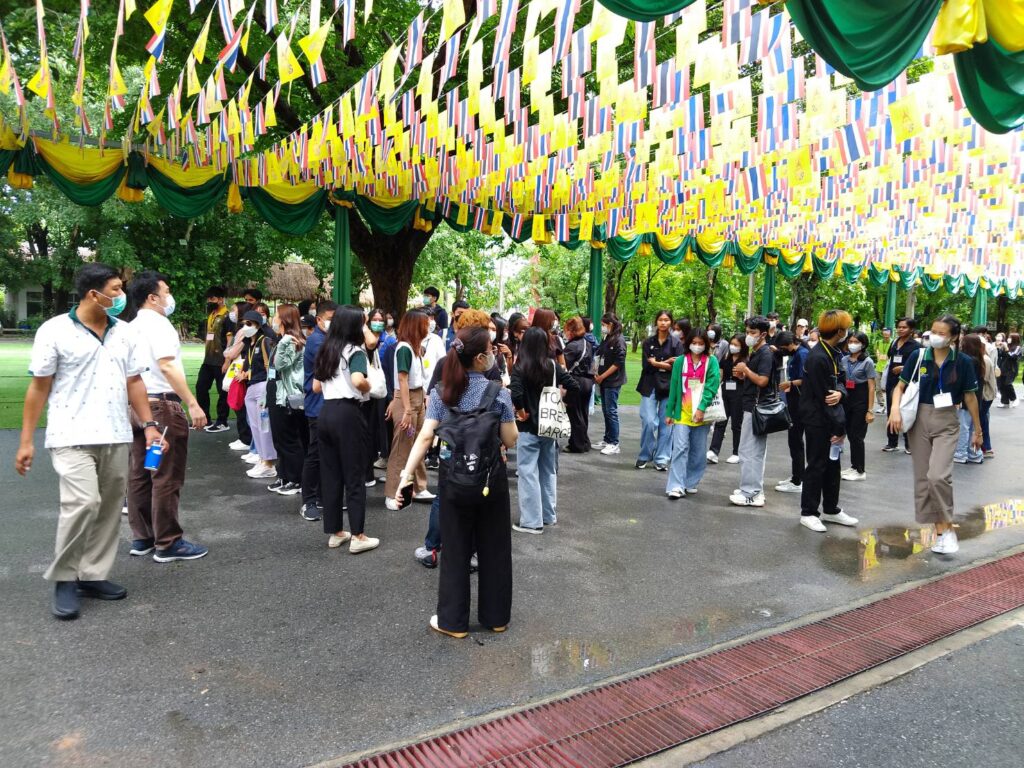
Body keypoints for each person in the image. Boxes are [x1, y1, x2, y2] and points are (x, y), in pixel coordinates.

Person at [16, 263, 165, 619]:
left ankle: (92, 574)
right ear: (92, 294)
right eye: (114, 289)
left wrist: (149, 425)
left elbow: (135, 383)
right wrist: (26, 441)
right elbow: (39, 387)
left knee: (110, 507)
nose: (120, 296)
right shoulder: (54, 331)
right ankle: (65, 577)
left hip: (114, 433)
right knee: (82, 502)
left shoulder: (125, 333)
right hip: (71, 434)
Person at [396, 327, 518, 637]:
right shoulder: (499, 393)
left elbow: (425, 437)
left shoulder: (441, 392)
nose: (494, 354)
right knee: (495, 548)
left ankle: (453, 622)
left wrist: (405, 476)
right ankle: (496, 619)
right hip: (492, 480)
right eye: (490, 350)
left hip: (454, 480)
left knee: (455, 550)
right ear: (480, 358)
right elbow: (511, 439)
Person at [126, 271, 210, 562]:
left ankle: (143, 537)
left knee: (140, 472)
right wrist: (192, 402)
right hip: (161, 405)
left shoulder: (129, 327)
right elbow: (167, 366)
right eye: (167, 290)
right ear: (152, 297)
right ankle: (168, 541)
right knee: (165, 474)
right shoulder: (159, 325)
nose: (169, 296)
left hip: (136, 406)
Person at [888, 315, 982, 555]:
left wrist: (978, 430)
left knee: (938, 477)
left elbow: (971, 398)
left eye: (941, 333)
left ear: (953, 337)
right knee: (923, 480)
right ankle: (940, 533)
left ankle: (948, 529)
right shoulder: (918, 356)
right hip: (919, 419)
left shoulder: (962, 362)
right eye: (932, 331)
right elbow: (900, 387)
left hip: (947, 421)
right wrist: (894, 409)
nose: (935, 336)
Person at [313, 306, 379, 554]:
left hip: (326, 412)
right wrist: (368, 386)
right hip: (348, 414)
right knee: (354, 475)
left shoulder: (326, 350)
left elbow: (316, 387)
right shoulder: (355, 351)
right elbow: (357, 380)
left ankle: (336, 532)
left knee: (331, 475)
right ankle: (358, 535)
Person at [510, 327, 579, 533]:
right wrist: (563, 402)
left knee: (527, 472)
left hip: (529, 428)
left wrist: (521, 412)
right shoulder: (552, 365)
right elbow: (574, 386)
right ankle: (549, 515)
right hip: (550, 427)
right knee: (548, 471)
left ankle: (532, 521)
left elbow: (516, 393)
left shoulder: (521, 366)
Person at [798, 310, 860, 532]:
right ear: (840, 331)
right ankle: (808, 512)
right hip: (817, 420)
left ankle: (831, 509)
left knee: (833, 465)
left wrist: (841, 393)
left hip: (831, 418)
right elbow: (824, 396)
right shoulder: (818, 357)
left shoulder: (834, 353)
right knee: (816, 465)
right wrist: (839, 427)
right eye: (846, 329)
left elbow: (842, 384)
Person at [384, 309, 435, 508]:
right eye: (424, 323)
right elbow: (402, 380)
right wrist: (406, 410)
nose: (428, 326)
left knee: (419, 442)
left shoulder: (415, 348)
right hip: (408, 401)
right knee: (402, 447)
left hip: (417, 399)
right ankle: (391, 493)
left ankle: (419, 487)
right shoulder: (404, 348)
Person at [664, 328, 721, 498]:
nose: (697, 346)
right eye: (694, 343)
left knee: (698, 451)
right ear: (688, 343)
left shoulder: (711, 362)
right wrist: (669, 411)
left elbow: (712, 385)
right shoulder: (680, 361)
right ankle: (676, 485)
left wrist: (702, 408)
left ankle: (691, 481)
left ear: (706, 344)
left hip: (701, 413)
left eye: (700, 344)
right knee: (680, 448)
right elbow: (674, 386)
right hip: (682, 412)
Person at [729, 316, 775, 508]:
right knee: (749, 450)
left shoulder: (765, 353)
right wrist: (744, 374)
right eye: (747, 332)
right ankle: (752, 489)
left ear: (763, 334)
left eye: (752, 333)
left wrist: (745, 371)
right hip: (750, 405)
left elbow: (763, 381)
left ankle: (752, 493)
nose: (748, 336)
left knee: (751, 451)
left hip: (756, 407)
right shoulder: (757, 352)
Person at [299, 301, 337, 521]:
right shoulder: (316, 341)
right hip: (317, 406)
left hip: (327, 405)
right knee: (315, 455)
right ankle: (309, 501)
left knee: (328, 454)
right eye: (331, 318)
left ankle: (323, 497)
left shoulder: (326, 339)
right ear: (320, 319)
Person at [267, 304, 308, 496]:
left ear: (284, 319)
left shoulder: (292, 341)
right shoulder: (283, 340)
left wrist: (283, 343)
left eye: (276, 316)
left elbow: (281, 364)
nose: (274, 320)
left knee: (289, 438)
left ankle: (296, 478)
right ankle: (283, 474)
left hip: (287, 396)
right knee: (279, 438)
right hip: (276, 391)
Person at [636, 310, 683, 471]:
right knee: (649, 421)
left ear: (671, 322)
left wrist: (657, 363)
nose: (663, 323)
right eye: (660, 320)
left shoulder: (677, 344)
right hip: (650, 384)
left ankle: (662, 458)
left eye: (666, 320)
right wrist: (665, 363)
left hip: (670, 386)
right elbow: (646, 365)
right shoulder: (648, 342)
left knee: (667, 423)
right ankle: (644, 455)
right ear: (656, 322)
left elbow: (678, 367)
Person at [238, 310, 279, 479]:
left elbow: (271, 366)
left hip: (262, 386)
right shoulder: (250, 344)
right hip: (252, 386)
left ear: (257, 325)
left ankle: (269, 462)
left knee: (264, 427)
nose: (245, 327)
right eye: (243, 324)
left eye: (249, 324)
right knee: (255, 426)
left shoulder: (265, 341)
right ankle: (262, 459)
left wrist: (268, 390)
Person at [841, 331, 877, 481]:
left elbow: (871, 387)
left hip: (860, 399)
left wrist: (870, 410)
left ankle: (860, 470)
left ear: (862, 344)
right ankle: (854, 465)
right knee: (850, 434)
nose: (852, 344)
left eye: (856, 342)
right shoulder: (844, 360)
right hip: (847, 398)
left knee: (857, 436)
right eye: (850, 341)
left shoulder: (867, 362)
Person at [774, 331, 807, 495]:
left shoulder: (803, 354)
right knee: (793, 440)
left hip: (800, 403)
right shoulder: (796, 354)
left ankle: (798, 480)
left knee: (796, 440)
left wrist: (790, 383)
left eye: (783, 347)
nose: (782, 350)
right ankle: (797, 475)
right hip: (793, 401)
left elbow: (806, 378)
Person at [196, 285, 232, 432]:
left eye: (213, 298)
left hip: (221, 360)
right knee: (201, 387)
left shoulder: (228, 316)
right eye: (208, 299)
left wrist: (227, 360)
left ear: (221, 299)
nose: (210, 301)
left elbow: (230, 340)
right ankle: (205, 419)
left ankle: (222, 421)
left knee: (222, 391)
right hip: (208, 360)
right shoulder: (211, 315)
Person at [954, 334, 994, 464]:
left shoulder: (967, 360)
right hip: (976, 398)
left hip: (966, 399)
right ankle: (974, 454)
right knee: (972, 427)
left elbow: (961, 381)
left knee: (964, 427)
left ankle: (960, 453)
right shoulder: (979, 359)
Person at [708, 334, 747, 465]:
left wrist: (742, 377)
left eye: (736, 345)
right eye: (732, 344)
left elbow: (749, 379)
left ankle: (737, 452)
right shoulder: (726, 360)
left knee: (736, 424)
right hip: (725, 392)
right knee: (720, 421)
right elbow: (720, 375)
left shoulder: (746, 361)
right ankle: (714, 451)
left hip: (739, 394)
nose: (733, 347)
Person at [883, 317, 920, 453]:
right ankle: (892, 442)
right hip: (892, 381)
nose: (900, 329)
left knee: (905, 411)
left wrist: (904, 368)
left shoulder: (916, 346)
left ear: (911, 330)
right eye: (899, 327)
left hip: (907, 383)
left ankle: (909, 444)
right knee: (891, 410)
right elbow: (890, 358)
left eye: (904, 327)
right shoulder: (894, 342)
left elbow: (919, 365)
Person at [594, 312, 627, 456]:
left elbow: (619, 362)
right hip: (603, 379)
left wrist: (603, 376)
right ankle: (607, 439)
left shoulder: (619, 340)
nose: (602, 327)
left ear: (610, 324)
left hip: (612, 381)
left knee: (611, 411)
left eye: (603, 325)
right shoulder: (607, 338)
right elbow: (599, 353)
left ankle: (614, 442)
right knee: (606, 410)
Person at [562, 317, 595, 454]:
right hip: (588, 381)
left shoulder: (572, 346)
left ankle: (577, 444)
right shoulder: (587, 343)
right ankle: (584, 441)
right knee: (583, 413)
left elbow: (564, 365)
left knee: (575, 414)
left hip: (576, 381)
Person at [225, 301, 254, 451]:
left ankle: (245, 438)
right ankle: (243, 436)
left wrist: (227, 353)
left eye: (234, 310)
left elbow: (232, 352)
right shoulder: (241, 330)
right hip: (240, 366)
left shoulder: (243, 331)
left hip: (241, 368)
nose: (232, 313)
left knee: (240, 402)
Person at [968, 327, 997, 458]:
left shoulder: (983, 360)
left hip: (985, 395)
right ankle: (986, 448)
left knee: (980, 422)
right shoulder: (982, 358)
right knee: (982, 420)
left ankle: (985, 448)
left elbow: (981, 379)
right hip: (987, 395)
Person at [995, 332, 1020, 407]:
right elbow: (1001, 355)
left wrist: (1006, 348)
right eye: (1008, 337)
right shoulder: (1006, 346)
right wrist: (998, 348)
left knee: (1008, 384)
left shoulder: (1017, 347)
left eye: (1010, 337)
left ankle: (1014, 399)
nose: (1009, 339)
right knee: (1001, 385)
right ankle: (1005, 402)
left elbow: (1013, 356)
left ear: (1014, 339)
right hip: (1003, 368)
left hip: (1011, 369)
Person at [872, 327, 892, 414]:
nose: (886, 333)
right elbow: (876, 350)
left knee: (888, 388)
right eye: (884, 331)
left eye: (887, 332)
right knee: (878, 388)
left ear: (890, 333)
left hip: (888, 368)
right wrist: (877, 354)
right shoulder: (878, 342)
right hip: (879, 367)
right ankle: (882, 405)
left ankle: (888, 406)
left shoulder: (893, 342)